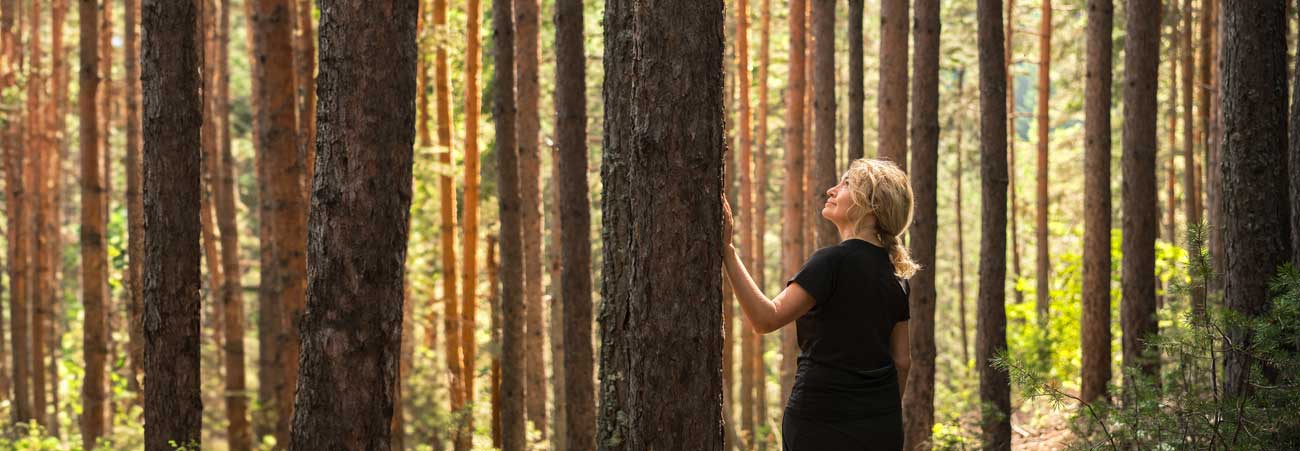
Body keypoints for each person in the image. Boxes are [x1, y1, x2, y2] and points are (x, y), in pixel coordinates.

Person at [722, 158, 916, 451]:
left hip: (819, 421)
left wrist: (727, 250)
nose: (831, 190)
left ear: (871, 204)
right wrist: (879, 413)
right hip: (881, 426)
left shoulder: (831, 262)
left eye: (846, 184)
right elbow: (902, 362)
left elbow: (766, 319)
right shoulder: (897, 276)